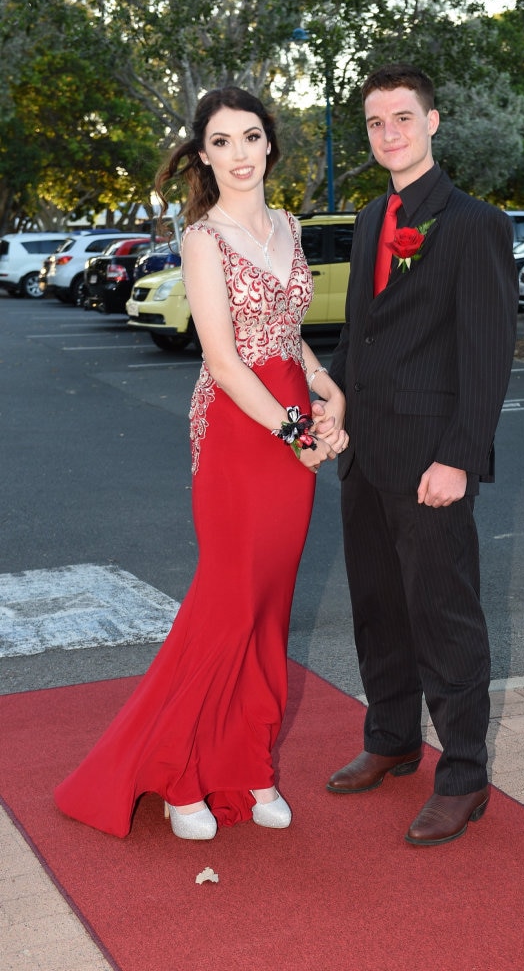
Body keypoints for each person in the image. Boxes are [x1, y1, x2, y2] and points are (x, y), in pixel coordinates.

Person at [55, 86, 347, 840]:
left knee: (268, 611)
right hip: (237, 429)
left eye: (251, 137)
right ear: (203, 154)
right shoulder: (201, 238)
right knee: (226, 607)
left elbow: (287, 330)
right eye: (223, 142)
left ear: (269, 144)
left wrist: (323, 387)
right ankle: (179, 776)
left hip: (288, 420)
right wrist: (294, 426)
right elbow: (221, 358)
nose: (241, 154)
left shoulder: (287, 224)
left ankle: (250, 767)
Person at [324, 64, 518, 846]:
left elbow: (486, 354)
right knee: (377, 608)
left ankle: (463, 774)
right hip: (363, 455)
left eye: (402, 117)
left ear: (432, 122)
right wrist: (329, 414)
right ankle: (392, 737)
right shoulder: (373, 216)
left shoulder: (473, 223)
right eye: (375, 123)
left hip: (431, 460)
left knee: (443, 617)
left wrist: (459, 458)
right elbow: (357, 336)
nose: (389, 133)